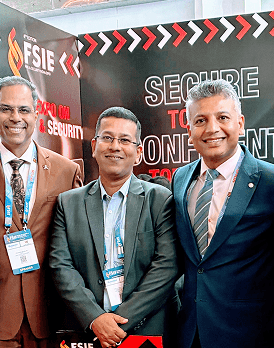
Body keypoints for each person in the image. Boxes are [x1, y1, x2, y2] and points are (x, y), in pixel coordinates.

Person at [0, 76, 83, 348]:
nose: (15, 118)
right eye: (6, 109)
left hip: (50, 318)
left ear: (36, 113)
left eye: (24, 110)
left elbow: (76, 246)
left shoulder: (67, 171)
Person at [170, 79, 274, 348]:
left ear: (240, 123)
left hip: (252, 336)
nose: (212, 129)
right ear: (189, 129)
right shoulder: (180, 178)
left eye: (222, 117)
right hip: (190, 334)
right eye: (200, 120)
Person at [48, 107, 179, 348]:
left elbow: (166, 267)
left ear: (138, 153)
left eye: (124, 140)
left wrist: (118, 324)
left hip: (147, 331)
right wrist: (95, 318)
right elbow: (61, 266)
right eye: (107, 138)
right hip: (88, 332)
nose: (115, 146)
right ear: (94, 146)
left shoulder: (160, 200)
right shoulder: (68, 203)